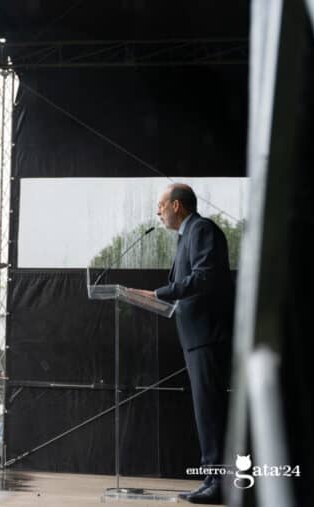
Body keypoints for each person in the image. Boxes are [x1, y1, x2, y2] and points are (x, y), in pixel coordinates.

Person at [129, 183, 233, 505]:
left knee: (211, 411)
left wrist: (161, 293)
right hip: (196, 337)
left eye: (161, 205)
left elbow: (204, 277)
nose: (157, 212)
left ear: (177, 206)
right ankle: (211, 479)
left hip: (207, 335)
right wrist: (163, 296)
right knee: (206, 411)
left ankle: (218, 483)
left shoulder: (202, 230)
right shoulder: (186, 236)